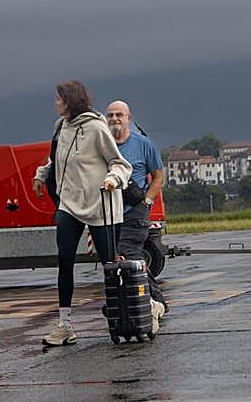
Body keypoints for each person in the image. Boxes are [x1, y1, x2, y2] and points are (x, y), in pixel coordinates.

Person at [31, 80, 132, 348]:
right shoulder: (61, 127)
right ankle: (65, 325)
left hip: (100, 206)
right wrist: (42, 175)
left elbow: (120, 163)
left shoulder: (97, 127)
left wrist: (113, 179)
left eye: (59, 98)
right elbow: (57, 158)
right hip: (69, 203)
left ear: (70, 100)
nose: (55, 102)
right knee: (64, 260)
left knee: (111, 265)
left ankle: (130, 313)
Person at [105, 100, 167, 329]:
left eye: (119, 115)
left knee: (129, 253)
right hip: (110, 213)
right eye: (110, 115)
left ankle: (154, 302)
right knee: (123, 258)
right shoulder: (104, 145)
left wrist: (147, 201)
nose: (114, 119)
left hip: (135, 212)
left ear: (128, 117)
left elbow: (158, 176)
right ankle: (133, 301)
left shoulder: (143, 144)